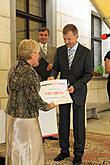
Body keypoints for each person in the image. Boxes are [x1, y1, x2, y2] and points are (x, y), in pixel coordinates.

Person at [5, 39, 56, 165]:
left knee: (15, 150)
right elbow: (34, 98)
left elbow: (8, 90)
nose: (39, 56)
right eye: (38, 53)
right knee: (30, 151)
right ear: (32, 54)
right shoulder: (30, 72)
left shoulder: (14, 67)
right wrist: (49, 105)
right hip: (25, 121)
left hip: (12, 116)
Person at [48, 24, 93, 165]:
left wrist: (75, 86)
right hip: (62, 92)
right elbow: (56, 67)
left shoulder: (86, 52)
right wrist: (52, 76)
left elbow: (88, 74)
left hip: (78, 92)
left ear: (76, 36)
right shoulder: (60, 51)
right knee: (63, 121)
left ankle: (78, 153)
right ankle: (64, 150)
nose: (66, 42)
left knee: (79, 123)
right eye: (64, 39)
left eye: (69, 39)